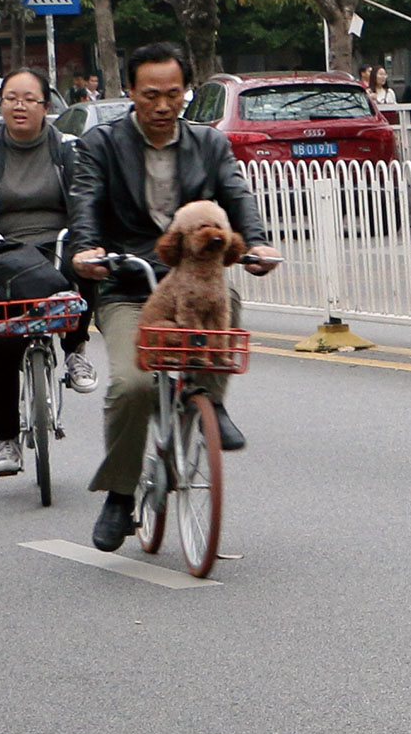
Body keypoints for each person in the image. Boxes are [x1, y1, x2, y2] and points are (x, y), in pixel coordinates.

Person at [69, 42, 280, 552]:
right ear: (130, 94)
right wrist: (85, 250)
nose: (163, 106)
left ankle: (208, 395)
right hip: (128, 285)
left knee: (224, 299)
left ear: (187, 92)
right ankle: (120, 495)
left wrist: (256, 242)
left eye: (174, 94)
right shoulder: (101, 144)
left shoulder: (210, 145)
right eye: (150, 95)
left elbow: (237, 197)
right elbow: (85, 203)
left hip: (194, 276)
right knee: (134, 386)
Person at [0, 66, 98, 478]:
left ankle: (76, 350)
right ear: (1, 105)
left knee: (86, 261)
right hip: (2, 251)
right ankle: (7, 438)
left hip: (57, 244)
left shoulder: (68, 147)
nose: (20, 106)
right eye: (12, 98)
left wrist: (86, 232)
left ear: (47, 106)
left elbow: (87, 194)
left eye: (30, 98)